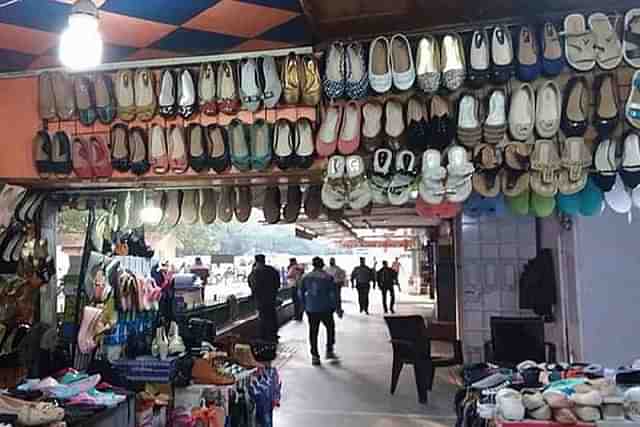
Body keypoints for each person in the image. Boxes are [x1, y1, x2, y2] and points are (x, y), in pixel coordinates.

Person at [299, 257, 338, 366]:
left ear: (313, 265)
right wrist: (337, 307)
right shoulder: (328, 277)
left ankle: (315, 356)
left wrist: (303, 306)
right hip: (326, 308)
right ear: (322, 265)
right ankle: (329, 350)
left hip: (311, 308)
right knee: (330, 328)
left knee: (313, 331)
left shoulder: (305, 277)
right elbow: (333, 294)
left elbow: (301, 293)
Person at [248, 254, 280, 342]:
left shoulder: (254, 272)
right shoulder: (272, 270)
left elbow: (252, 286)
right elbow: (278, 284)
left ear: (256, 261)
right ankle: (273, 335)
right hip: (272, 298)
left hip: (261, 300)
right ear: (264, 260)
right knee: (272, 316)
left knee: (263, 318)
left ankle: (264, 337)